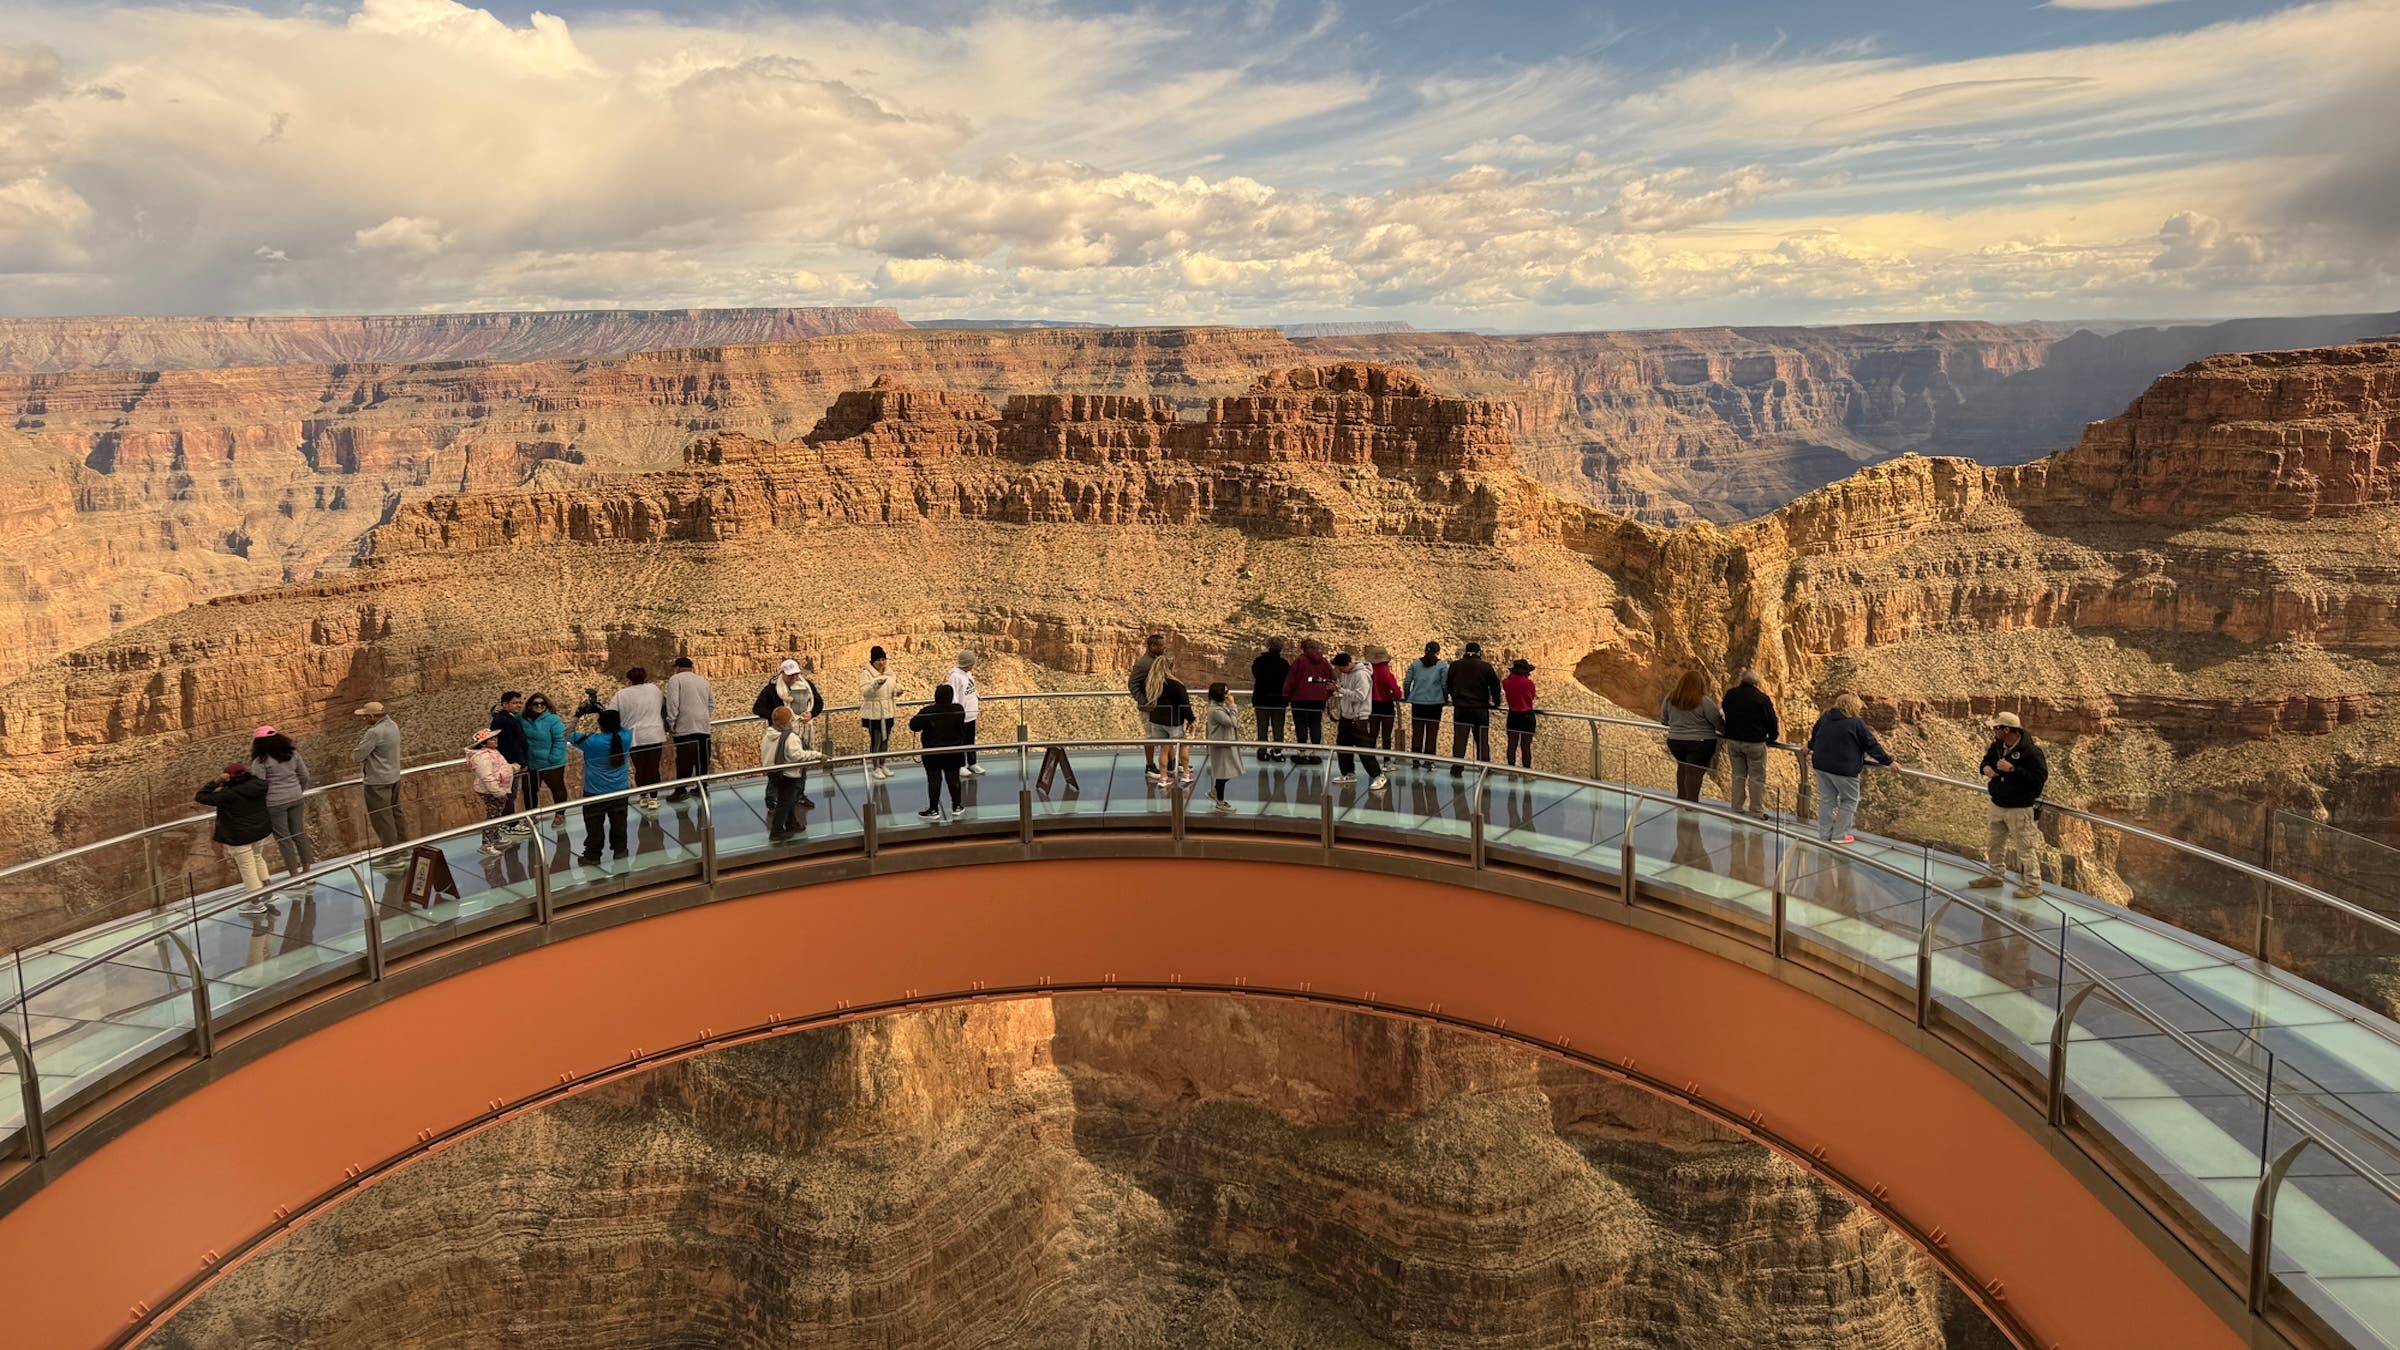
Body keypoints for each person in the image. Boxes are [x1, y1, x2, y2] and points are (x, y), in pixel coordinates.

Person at [1973, 711, 2050, 898]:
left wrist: (2013, 770)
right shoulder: (1998, 746)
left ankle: (2033, 885)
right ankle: (1995, 875)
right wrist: (1986, 769)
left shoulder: (2031, 752)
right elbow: (1985, 761)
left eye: (1996, 728)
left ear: (2006, 730)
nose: (1994, 731)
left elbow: (2039, 778)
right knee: (1995, 844)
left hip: (2019, 808)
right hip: (1998, 804)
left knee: (2025, 848)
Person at [1806, 692, 1892, 845]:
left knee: (1827, 801)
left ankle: (1825, 835)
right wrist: (1888, 762)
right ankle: (1839, 836)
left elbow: (1816, 735)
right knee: (1850, 800)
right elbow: (1870, 744)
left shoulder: (1825, 717)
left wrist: (1808, 747)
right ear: (1853, 706)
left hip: (1821, 766)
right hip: (1844, 769)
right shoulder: (1855, 723)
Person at [197, 762, 276, 914]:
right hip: (259, 830)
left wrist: (217, 781)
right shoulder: (260, 785)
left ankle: (256, 903)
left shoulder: (228, 794)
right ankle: (268, 891)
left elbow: (201, 796)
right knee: (258, 858)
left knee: (247, 868)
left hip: (239, 835)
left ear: (229, 778)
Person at [750, 659, 821, 807]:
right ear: (782, 673)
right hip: (779, 736)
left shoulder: (807, 686)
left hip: (802, 732)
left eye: (796, 675)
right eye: (790, 676)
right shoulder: (772, 690)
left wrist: (811, 714)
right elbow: (758, 709)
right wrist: (779, 715)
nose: (794, 678)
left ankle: (798, 795)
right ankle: (772, 799)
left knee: (801, 766)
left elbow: (819, 703)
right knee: (777, 767)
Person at [248, 726, 315, 876]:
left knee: (284, 839)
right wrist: (299, 790)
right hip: (296, 798)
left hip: (275, 803)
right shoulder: (292, 753)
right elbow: (305, 776)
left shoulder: (261, 761)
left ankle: (294, 875)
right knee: (299, 833)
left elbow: (259, 785)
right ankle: (307, 872)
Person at [569, 709, 633, 863]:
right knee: (619, 822)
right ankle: (620, 850)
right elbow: (618, 726)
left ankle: (593, 855)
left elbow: (567, 734)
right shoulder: (626, 736)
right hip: (619, 790)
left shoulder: (592, 742)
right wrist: (602, 711)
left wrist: (577, 716)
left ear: (600, 724)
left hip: (595, 792)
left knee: (594, 825)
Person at [352, 701, 407, 868]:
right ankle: (405, 849)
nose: (363, 720)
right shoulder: (393, 725)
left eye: (364, 717)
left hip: (377, 782)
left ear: (371, 716)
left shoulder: (374, 732)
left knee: (383, 819)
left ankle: (392, 857)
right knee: (396, 813)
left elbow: (357, 755)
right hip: (393, 777)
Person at [1721, 668, 1780, 820]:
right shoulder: (1762, 699)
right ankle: (1756, 811)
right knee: (1757, 778)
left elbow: (1725, 711)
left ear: (1742, 680)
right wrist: (1772, 737)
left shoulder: (1731, 695)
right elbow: (1772, 721)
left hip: (1733, 741)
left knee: (1738, 776)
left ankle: (1736, 808)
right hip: (1754, 743)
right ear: (1756, 683)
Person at [910, 684, 972, 824]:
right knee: (954, 779)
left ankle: (933, 809)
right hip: (953, 752)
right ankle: (957, 806)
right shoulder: (958, 709)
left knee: (934, 780)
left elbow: (913, 725)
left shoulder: (929, 711)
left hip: (933, 754)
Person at [609, 667, 668, 812]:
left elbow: (611, 714)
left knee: (639, 768)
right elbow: (663, 706)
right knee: (653, 767)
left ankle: (643, 797)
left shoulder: (621, 694)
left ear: (629, 680)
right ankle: (654, 799)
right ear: (645, 677)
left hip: (634, 737)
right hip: (654, 734)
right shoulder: (654, 689)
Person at [1660, 670, 1723, 803]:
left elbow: (1664, 720)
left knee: (1682, 767)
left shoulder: (1671, 698)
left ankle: (1681, 798)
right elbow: (1716, 721)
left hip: (1675, 741)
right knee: (1694, 773)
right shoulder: (1704, 701)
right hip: (1700, 742)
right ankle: (1692, 803)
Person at [1330, 652, 1388, 791]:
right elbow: (1346, 691)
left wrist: (1342, 690)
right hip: (1346, 716)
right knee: (1343, 747)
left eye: (1340, 668)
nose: (1339, 671)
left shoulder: (1362, 675)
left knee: (1364, 750)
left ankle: (1378, 775)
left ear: (1347, 665)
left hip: (1358, 718)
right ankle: (1348, 773)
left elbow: (1360, 696)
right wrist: (1338, 691)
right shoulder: (1345, 673)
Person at [663, 657, 716, 801]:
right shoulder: (703, 681)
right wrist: (703, 715)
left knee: (684, 760)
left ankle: (680, 790)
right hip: (703, 726)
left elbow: (673, 702)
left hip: (685, 726)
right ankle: (702, 788)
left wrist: (671, 722)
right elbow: (712, 703)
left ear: (678, 668)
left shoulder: (676, 679)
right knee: (702, 758)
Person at [1446, 641, 1501, 776]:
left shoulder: (1455, 665)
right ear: (1479, 652)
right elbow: (1495, 686)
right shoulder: (1486, 667)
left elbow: (1448, 684)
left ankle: (1457, 768)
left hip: (1461, 708)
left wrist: (1455, 697)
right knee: (1482, 739)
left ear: (1465, 652)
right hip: (1480, 709)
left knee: (1459, 739)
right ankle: (1484, 769)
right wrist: (1496, 703)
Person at [758, 705, 811, 841]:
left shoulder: (769, 734)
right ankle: (776, 831)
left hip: (772, 771)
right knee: (786, 801)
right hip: (787, 773)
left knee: (787, 798)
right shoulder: (790, 737)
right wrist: (816, 755)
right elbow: (797, 755)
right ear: (788, 721)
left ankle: (792, 823)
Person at [1143, 655, 1196, 784]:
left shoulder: (1151, 685)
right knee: (1182, 745)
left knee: (1163, 749)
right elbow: (1184, 705)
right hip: (1173, 722)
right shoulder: (1176, 685)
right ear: (1170, 668)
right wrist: (1191, 719)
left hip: (1156, 721)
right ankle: (1186, 774)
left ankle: (1163, 777)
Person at [1282, 638, 1336, 765]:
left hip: (1300, 699)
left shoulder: (1299, 661)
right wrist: (1326, 694)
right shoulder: (1324, 662)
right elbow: (1332, 680)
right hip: (1318, 700)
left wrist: (1287, 696)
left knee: (1301, 725)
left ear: (1303, 648)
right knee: (1316, 724)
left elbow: (1290, 681)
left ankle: (1302, 753)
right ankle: (1315, 753)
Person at [487, 691, 532, 836]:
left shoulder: (507, 718)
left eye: (520, 702)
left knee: (510, 793)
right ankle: (510, 824)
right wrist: (519, 762)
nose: (518, 705)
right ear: (505, 704)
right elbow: (510, 745)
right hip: (509, 764)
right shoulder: (503, 720)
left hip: (510, 763)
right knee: (509, 793)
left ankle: (506, 823)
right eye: (514, 703)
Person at [466, 727, 516, 855]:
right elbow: (487, 776)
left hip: (495, 789)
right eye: (491, 739)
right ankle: (486, 844)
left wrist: (512, 768)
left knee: (496, 814)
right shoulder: (483, 757)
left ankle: (495, 837)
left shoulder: (492, 753)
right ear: (484, 743)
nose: (495, 740)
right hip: (490, 791)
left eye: (495, 738)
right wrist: (497, 791)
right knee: (493, 816)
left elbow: (499, 768)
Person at [520, 693, 570, 819]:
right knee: (529, 792)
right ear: (530, 706)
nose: (539, 706)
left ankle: (560, 815)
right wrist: (496, 712)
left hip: (551, 764)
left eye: (542, 704)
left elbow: (560, 740)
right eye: (536, 704)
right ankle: (532, 817)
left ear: (547, 705)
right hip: (531, 764)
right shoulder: (522, 718)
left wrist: (553, 758)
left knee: (557, 789)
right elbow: (508, 720)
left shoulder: (553, 719)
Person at [859, 646, 901, 780]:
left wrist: (897, 691)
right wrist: (875, 685)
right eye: (879, 660)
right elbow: (865, 693)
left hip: (888, 710)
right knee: (875, 740)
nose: (882, 662)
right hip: (874, 712)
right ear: (873, 661)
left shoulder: (890, 673)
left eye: (883, 659)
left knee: (886, 739)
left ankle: (883, 764)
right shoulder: (866, 674)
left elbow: (892, 689)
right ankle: (875, 766)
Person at [1404, 642, 1449, 760]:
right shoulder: (1442, 666)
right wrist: (1444, 698)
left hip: (1417, 702)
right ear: (1438, 652)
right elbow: (1445, 685)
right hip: (1435, 704)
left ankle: (1415, 760)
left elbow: (1407, 682)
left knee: (1417, 733)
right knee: (1432, 734)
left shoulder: (1415, 664)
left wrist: (1408, 696)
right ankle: (1429, 761)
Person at [1204, 682, 1244, 812]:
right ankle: (1220, 802)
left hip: (1225, 744)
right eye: (1226, 692)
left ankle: (1215, 791)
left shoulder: (1220, 707)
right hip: (1221, 746)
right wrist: (1232, 705)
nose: (1228, 695)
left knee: (1228, 771)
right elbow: (1232, 722)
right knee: (1223, 773)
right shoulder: (1216, 710)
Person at [1130, 633, 1167, 775]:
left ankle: (1169, 763)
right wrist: (1144, 701)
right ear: (1152, 646)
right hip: (1149, 709)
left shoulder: (1159, 660)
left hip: (1161, 706)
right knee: (1151, 736)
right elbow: (1133, 684)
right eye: (1162, 645)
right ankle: (1150, 766)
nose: (1165, 647)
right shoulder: (1143, 663)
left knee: (1165, 734)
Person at [1250, 638, 1291, 761]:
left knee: (1262, 728)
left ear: (1268, 647)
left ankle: (1262, 751)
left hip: (1261, 700)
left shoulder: (1258, 662)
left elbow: (1255, 674)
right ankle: (1277, 752)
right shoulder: (1284, 664)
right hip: (1278, 701)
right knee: (1278, 728)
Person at [947, 651, 985, 775]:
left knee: (970, 740)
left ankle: (972, 763)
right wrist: (956, 713)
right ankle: (960, 765)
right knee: (960, 741)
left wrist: (977, 695)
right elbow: (955, 696)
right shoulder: (955, 677)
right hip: (961, 716)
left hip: (971, 714)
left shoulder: (968, 673)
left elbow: (969, 688)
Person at [1502, 660, 1538, 768]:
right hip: (1527, 716)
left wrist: (1511, 677)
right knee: (1525, 746)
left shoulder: (1507, 682)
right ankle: (1526, 772)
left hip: (1513, 716)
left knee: (1512, 745)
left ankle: (1511, 771)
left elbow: (1505, 681)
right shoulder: (1529, 683)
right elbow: (1531, 697)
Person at [1366, 645, 1402, 752]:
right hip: (1386, 705)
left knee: (1372, 734)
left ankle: (1370, 757)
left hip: (1372, 704)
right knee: (1386, 736)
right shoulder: (1386, 673)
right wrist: (1395, 694)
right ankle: (1387, 760)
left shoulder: (1369, 672)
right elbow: (1397, 694)